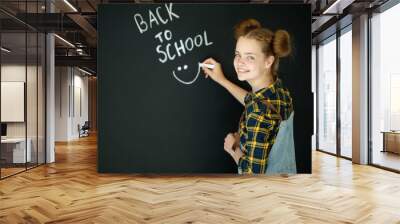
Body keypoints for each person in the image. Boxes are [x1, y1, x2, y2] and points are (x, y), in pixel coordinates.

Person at [201, 18, 294, 174]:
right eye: (238, 55)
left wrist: (233, 148)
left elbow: (252, 173)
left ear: (268, 61)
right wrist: (221, 80)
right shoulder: (278, 89)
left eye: (250, 57)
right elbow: (253, 100)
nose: (240, 62)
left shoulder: (258, 113)